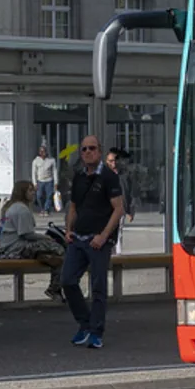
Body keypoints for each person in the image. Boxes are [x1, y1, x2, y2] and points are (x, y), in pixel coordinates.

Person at [62, 135, 124, 349]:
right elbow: (73, 207)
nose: (88, 152)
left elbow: (118, 209)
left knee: (98, 286)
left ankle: (96, 331)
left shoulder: (108, 177)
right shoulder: (79, 176)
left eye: (92, 148)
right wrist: (68, 230)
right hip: (78, 238)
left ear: (99, 151)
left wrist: (104, 236)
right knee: (67, 280)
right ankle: (85, 323)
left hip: (98, 240)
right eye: (84, 149)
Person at [0, 181, 63, 301]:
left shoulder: (9, 207)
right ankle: (54, 288)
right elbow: (26, 234)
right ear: (23, 193)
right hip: (17, 248)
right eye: (30, 190)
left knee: (50, 253)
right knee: (59, 249)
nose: (33, 193)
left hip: (6, 247)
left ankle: (47, 265)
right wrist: (47, 238)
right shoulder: (22, 209)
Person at [106, 149, 138, 253]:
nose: (113, 163)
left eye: (115, 160)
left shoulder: (124, 175)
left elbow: (130, 193)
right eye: (110, 161)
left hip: (120, 209)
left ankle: (118, 258)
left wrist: (130, 211)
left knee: (118, 234)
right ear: (107, 161)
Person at [31, 142, 58, 217]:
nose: (42, 153)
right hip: (40, 181)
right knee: (39, 196)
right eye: (41, 151)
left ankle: (46, 209)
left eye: (43, 151)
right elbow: (34, 173)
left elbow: (54, 171)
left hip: (49, 181)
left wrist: (56, 183)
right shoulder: (36, 161)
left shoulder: (51, 160)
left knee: (49, 196)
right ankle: (42, 209)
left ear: (46, 152)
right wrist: (35, 183)